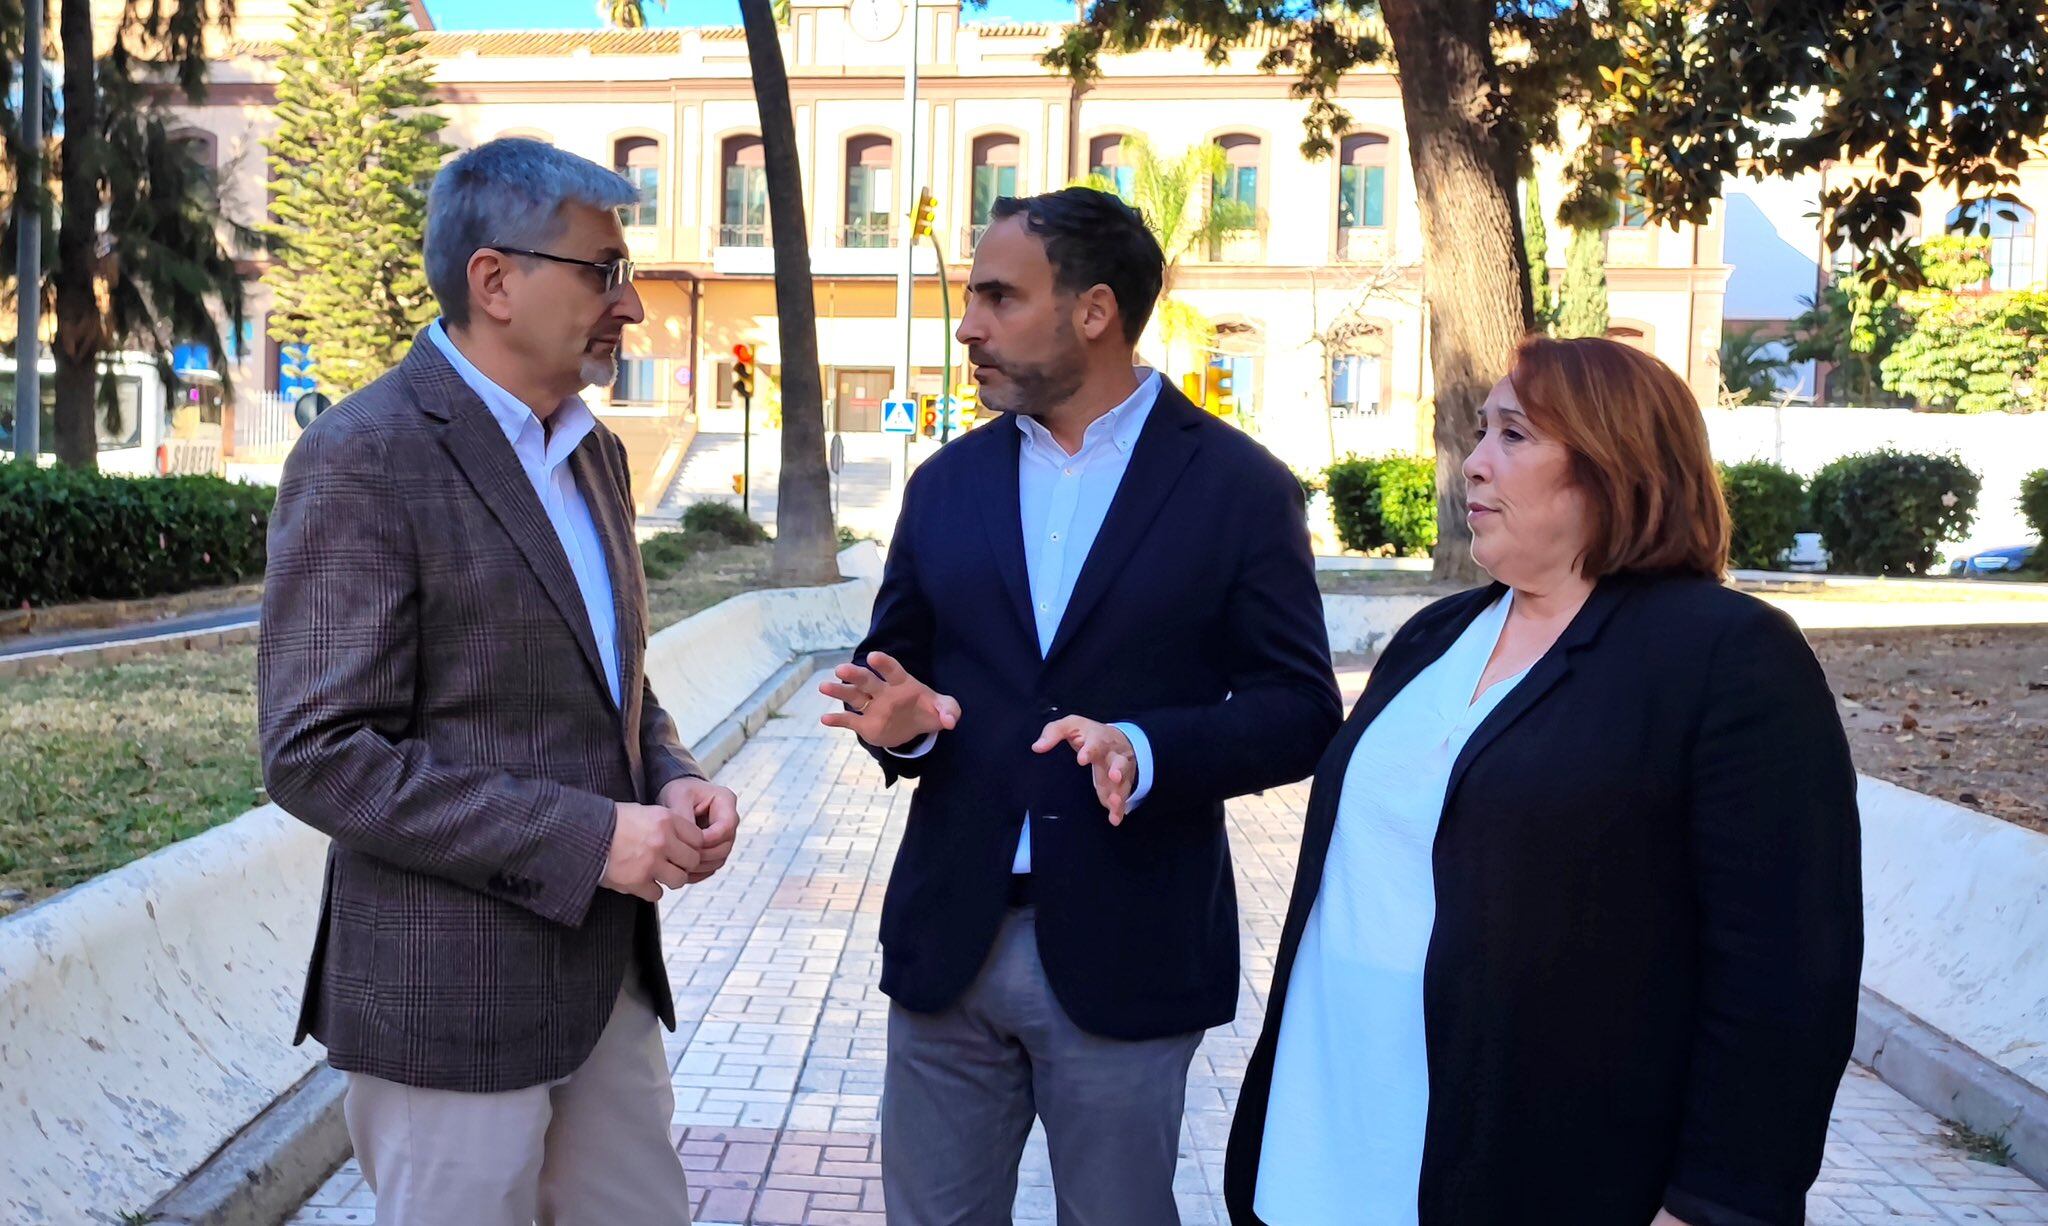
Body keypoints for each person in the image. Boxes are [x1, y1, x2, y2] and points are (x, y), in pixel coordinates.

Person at [1224, 335, 1864, 1226]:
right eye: (1480, 432)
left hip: (1542, 1169)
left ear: (1613, 464)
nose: (1473, 463)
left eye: (1514, 436)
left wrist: (1718, 1202)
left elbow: (1786, 968)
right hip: (1327, 1134)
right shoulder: (1434, 638)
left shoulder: (1727, 657)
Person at [818, 186, 1343, 1224]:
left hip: (1129, 947)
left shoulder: (1237, 487)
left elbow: (1298, 706)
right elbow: (897, 670)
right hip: (947, 942)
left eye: (998, 297)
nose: (968, 324)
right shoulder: (944, 484)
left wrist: (1146, 747)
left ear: (1092, 311)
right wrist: (906, 723)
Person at [258, 138, 738, 1226]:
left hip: (607, 985)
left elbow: (608, 677)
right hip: (447, 1002)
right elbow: (317, 753)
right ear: (495, 280)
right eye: (603, 272)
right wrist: (590, 838)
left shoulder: (597, 453)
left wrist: (670, 778)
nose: (631, 307)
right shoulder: (365, 453)